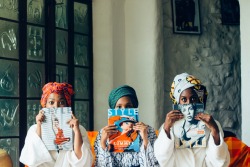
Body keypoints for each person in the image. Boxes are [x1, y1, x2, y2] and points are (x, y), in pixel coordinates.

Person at [154, 72, 230, 167]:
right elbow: (162, 159)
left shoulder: (211, 125)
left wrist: (214, 130)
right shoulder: (169, 128)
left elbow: (220, 161)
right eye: (184, 99)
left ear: (199, 100)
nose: (189, 104)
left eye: (193, 99)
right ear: (177, 101)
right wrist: (166, 129)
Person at [19, 82, 93, 167]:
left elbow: (84, 163)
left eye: (61, 102)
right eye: (51, 102)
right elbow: (31, 160)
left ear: (67, 105)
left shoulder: (79, 129)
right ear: (45, 105)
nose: (56, 106)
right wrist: (39, 126)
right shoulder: (34, 129)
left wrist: (76, 131)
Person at [94, 85, 159, 167]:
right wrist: (103, 143)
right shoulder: (102, 134)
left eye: (128, 106)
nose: (124, 110)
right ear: (113, 109)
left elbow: (154, 164)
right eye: (119, 107)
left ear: (134, 108)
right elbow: (100, 165)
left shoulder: (148, 131)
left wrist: (145, 140)